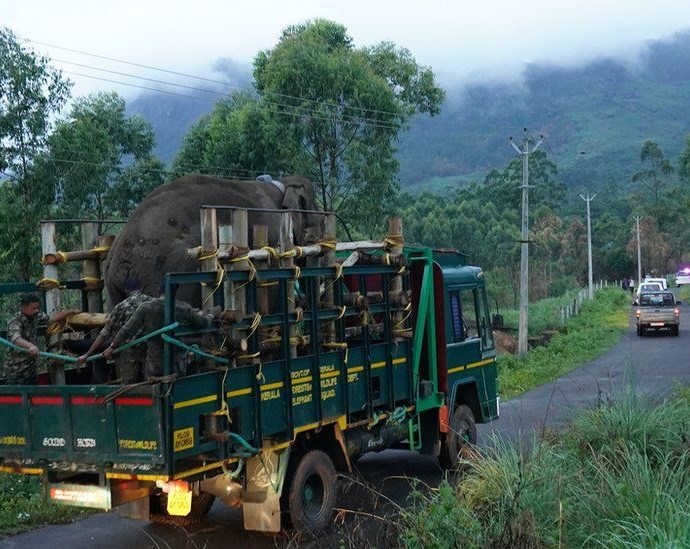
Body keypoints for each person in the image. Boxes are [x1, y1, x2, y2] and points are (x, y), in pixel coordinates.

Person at [107, 287, 218, 380]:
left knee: (153, 389)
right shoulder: (183, 307)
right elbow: (203, 323)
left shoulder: (146, 307)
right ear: (175, 292)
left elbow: (127, 329)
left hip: (154, 362)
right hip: (177, 363)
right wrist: (212, 314)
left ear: (159, 291)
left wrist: (112, 346)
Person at [78, 278, 152, 383]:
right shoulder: (153, 303)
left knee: (130, 385)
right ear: (142, 288)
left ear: (126, 290)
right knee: (151, 382)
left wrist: (87, 354)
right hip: (150, 350)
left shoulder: (121, 307)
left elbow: (104, 334)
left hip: (128, 353)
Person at [3, 294, 79, 385]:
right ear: (23, 308)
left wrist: (70, 311)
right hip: (15, 371)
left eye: (37, 308)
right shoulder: (15, 320)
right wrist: (30, 346)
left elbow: (52, 318)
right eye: (33, 308)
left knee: (31, 395)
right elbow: (15, 338)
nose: (37, 310)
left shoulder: (36, 317)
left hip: (30, 370)